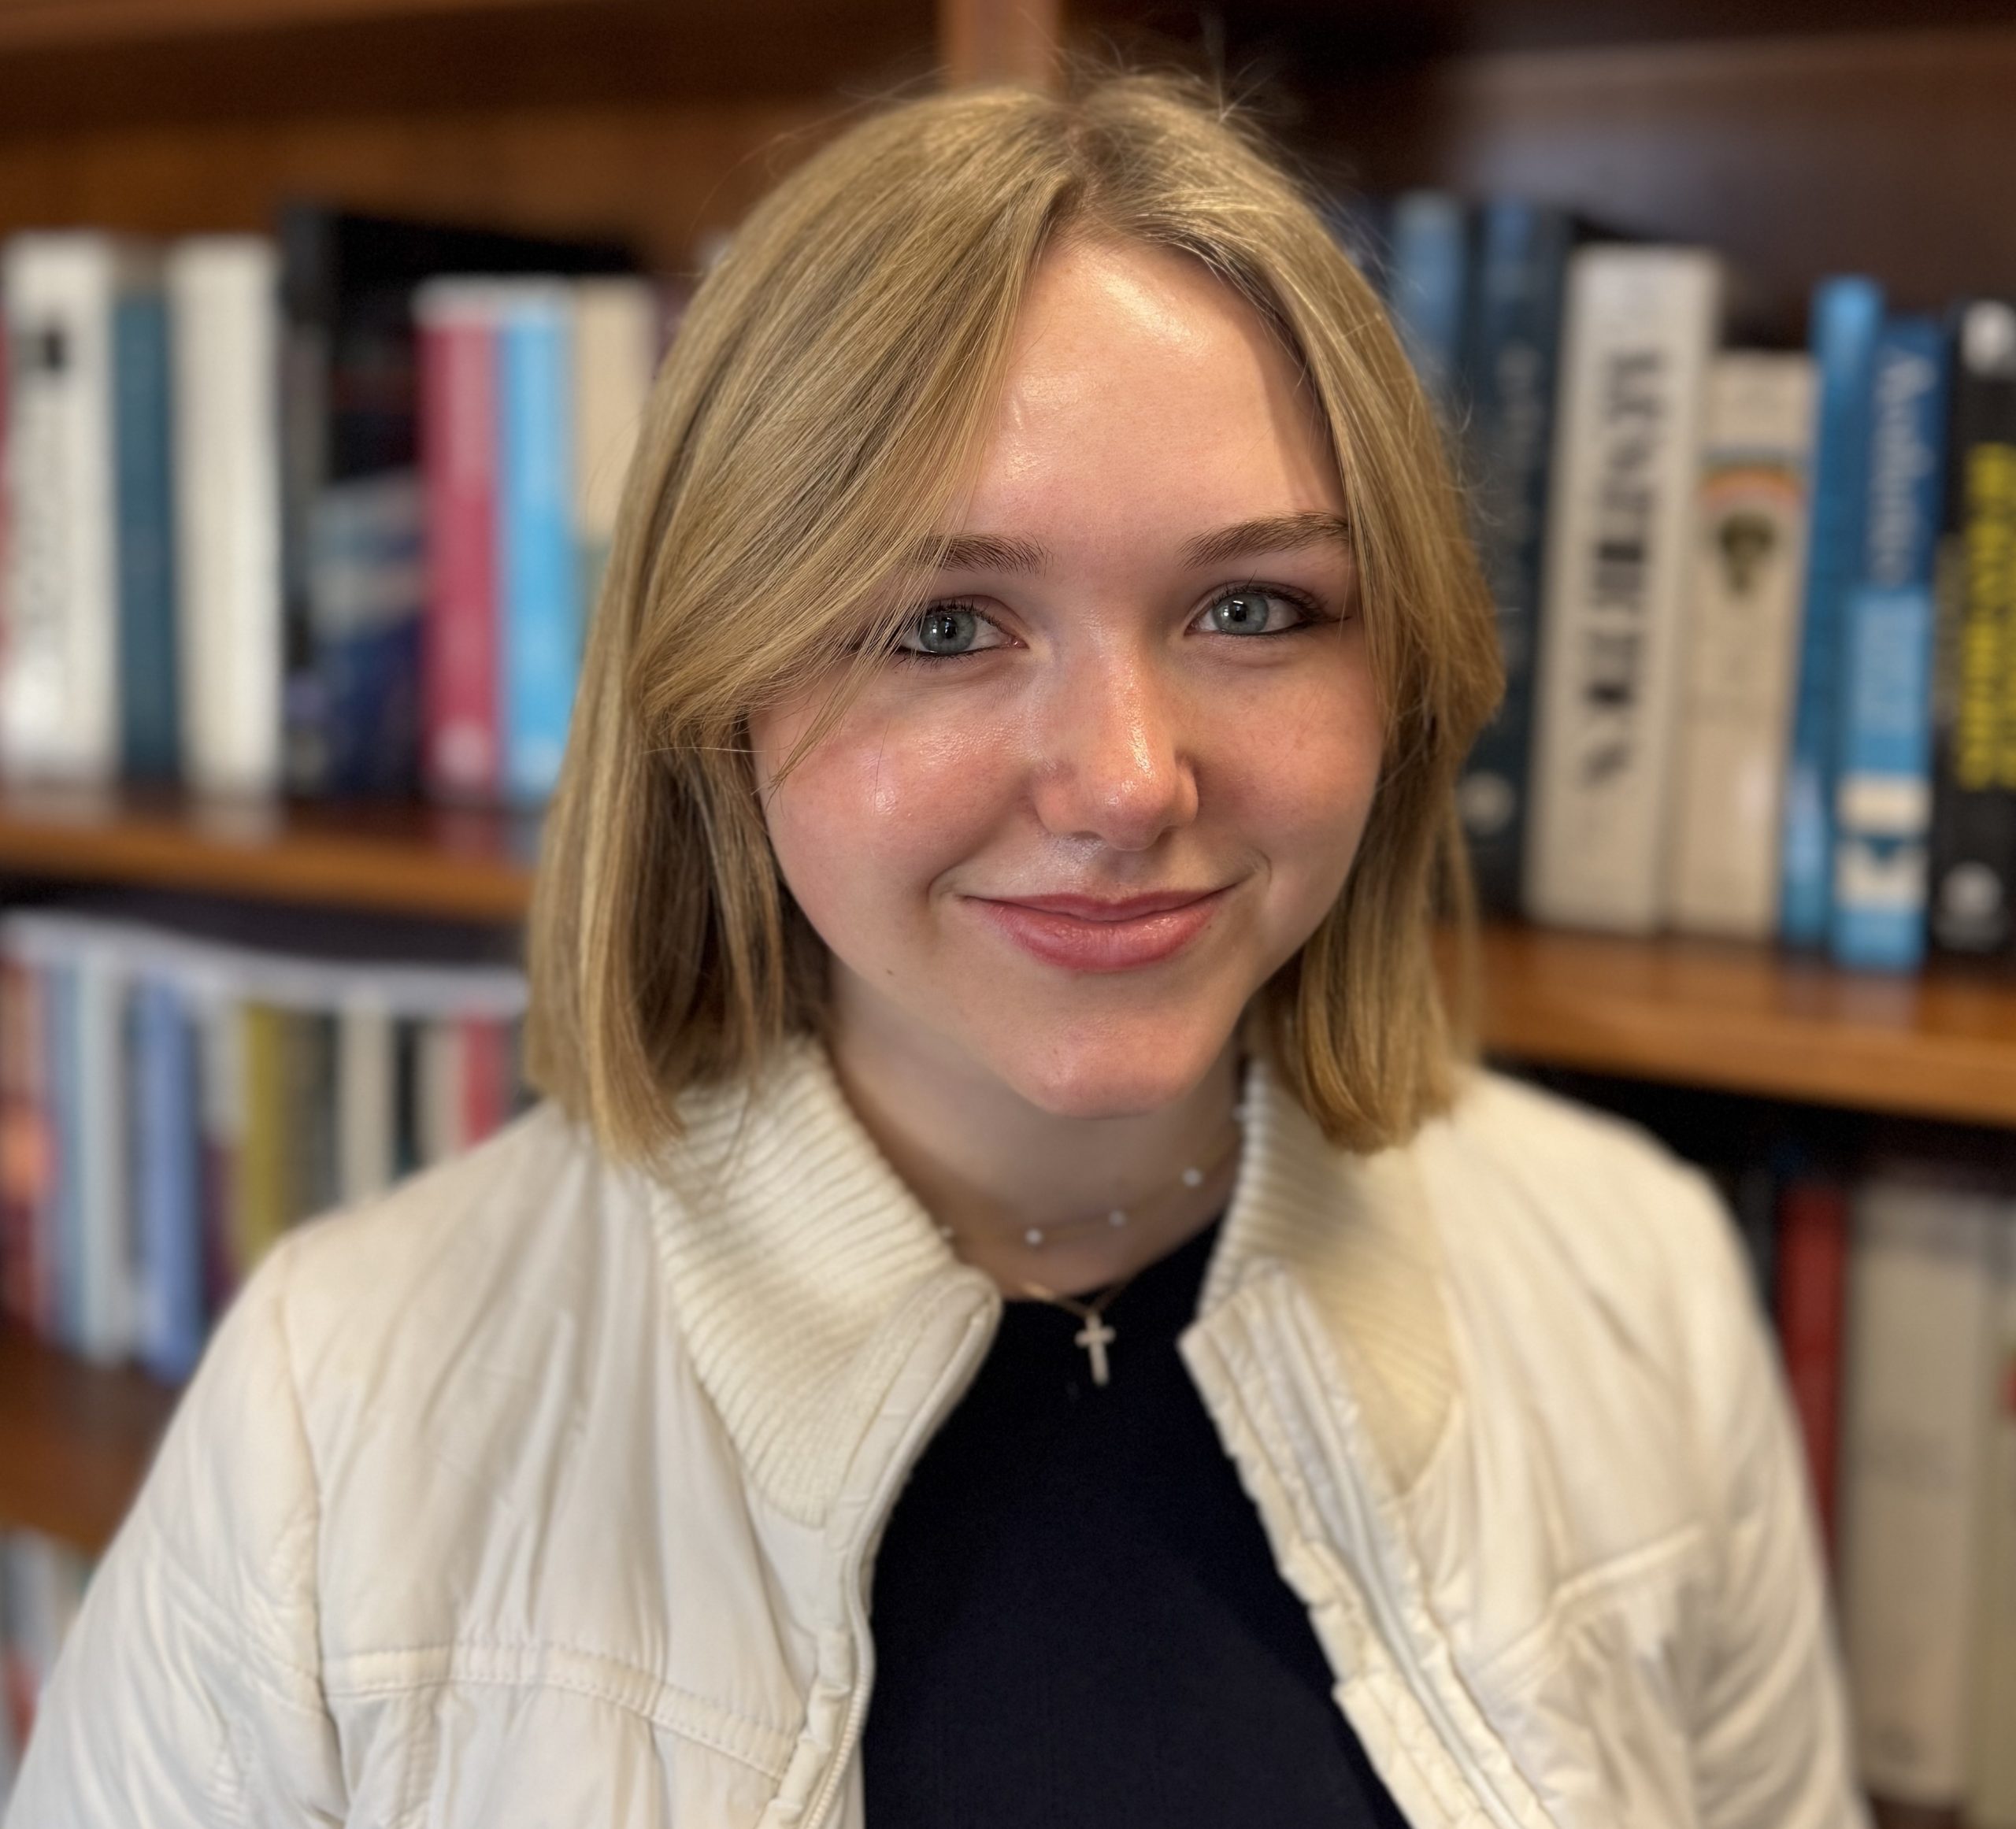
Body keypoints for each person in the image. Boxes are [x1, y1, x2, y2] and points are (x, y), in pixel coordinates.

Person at [7, 74, 1863, 1829]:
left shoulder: (1633, 1276)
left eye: (1250, 607)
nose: (1124, 780)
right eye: (944, 625)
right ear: (715, 700)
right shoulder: (334, 1410)